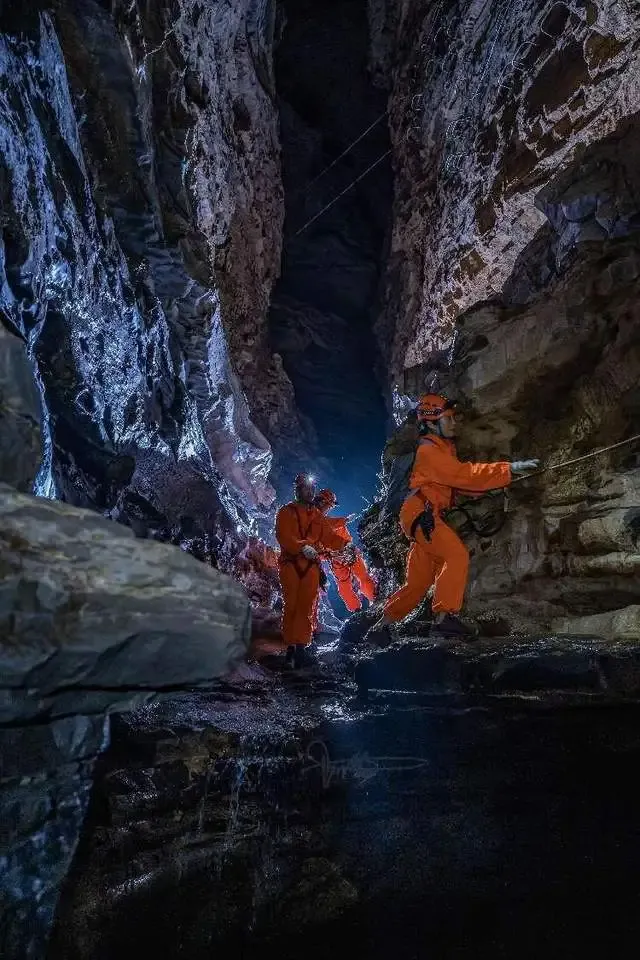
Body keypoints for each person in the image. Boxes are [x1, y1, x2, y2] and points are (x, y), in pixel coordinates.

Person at [370, 393, 539, 639]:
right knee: (456, 554)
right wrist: (508, 469)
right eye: (448, 418)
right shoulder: (429, 451)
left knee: (418, 583)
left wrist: (494, 485)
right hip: (421, 514)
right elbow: (463, 475)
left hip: (420, 516)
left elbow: (456, 484)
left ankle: (380, 627)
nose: (454, 423)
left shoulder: (441, 450)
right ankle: (444, 619)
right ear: (431, 423)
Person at [275, 474, 350, 668]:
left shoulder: (316, 515)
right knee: (291, 606)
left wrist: (345, 545)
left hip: (310, 567)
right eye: (306, 489)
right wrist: (302, 547)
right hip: (291, 564)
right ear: (298, 490)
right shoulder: (286, 512)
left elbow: (328, 536)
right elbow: (284, 536)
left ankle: (300, 648)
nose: (309, 492)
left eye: (311, 489)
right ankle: (290, 647)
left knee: (306, 607)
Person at [313, 488, 377, 612]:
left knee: (345, 584)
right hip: (345, 552)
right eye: (329, 506)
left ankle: (358, 608)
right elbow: (327, 525)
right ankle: (371, 599)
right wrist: (345, 520)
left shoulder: (315, 519)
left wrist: (325, 556)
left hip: (337, 557)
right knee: (360, 577)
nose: (329, 509)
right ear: (323, 502)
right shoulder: (320, 520)